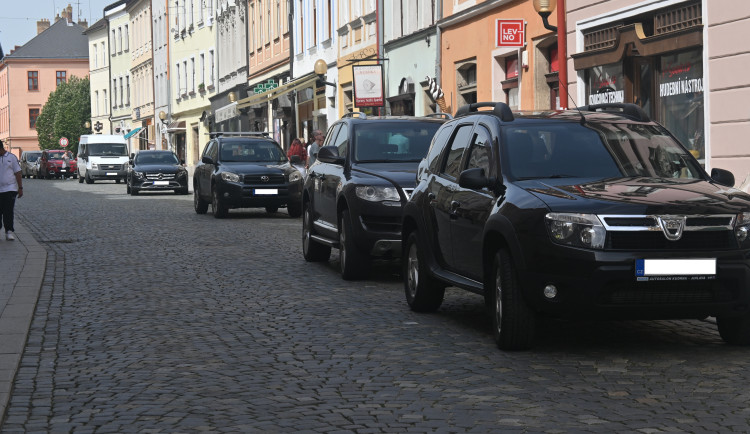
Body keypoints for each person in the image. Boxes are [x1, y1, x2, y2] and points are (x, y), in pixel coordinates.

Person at [0, 139, 23, 241]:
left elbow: (18, 173)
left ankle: (9, 231)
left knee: (8, 211)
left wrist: (20, 188)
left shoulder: (11, 157)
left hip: (10, 189)